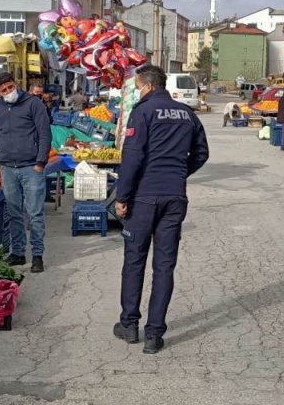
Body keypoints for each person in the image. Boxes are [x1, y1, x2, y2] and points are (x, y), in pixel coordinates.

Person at [113, 65, 210, 354]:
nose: (136, 90)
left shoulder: (142, 111)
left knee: (134, 261)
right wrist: (178, 173)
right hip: (174, 195)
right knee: (164, 266)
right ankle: (154, 334)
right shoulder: (187, 113)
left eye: (137, 86)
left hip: (144, 197)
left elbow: (132, 156)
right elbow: (202, 153)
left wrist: (122, 195)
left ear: (146, 85)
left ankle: (129, 325)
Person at [0, 73, 52, 272]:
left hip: (32, 167)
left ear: (15, 84)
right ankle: (17, 253)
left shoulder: (34, 104)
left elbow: (44, 134)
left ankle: (37, 256)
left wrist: (40, 162)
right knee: (14, 213)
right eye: (4, 90)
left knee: (34, 213)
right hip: (8, 168)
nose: (8, 92)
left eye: (10, 87)